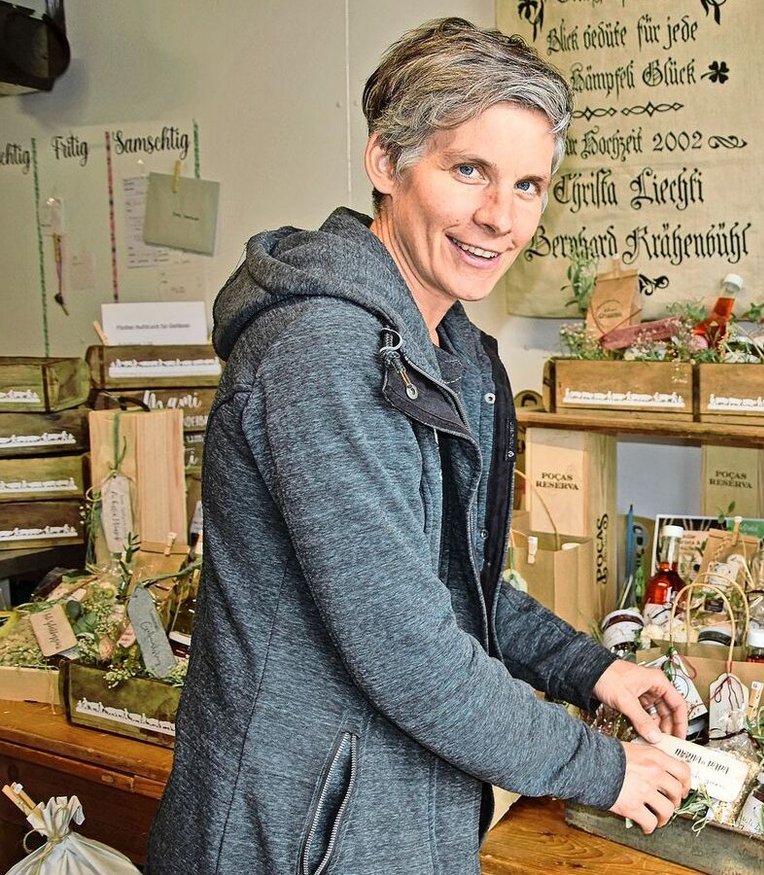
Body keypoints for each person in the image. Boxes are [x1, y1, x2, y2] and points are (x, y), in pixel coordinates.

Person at [146, 18, 690, 874]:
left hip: (388, 810)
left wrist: (592, 670)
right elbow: (409, 648)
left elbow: (448, 578)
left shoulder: (449, 348)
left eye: (528, 184)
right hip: (293, 832)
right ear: (386, 162)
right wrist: (600, 766)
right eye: (467, 169)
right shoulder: (321, 353)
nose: (498, 218)